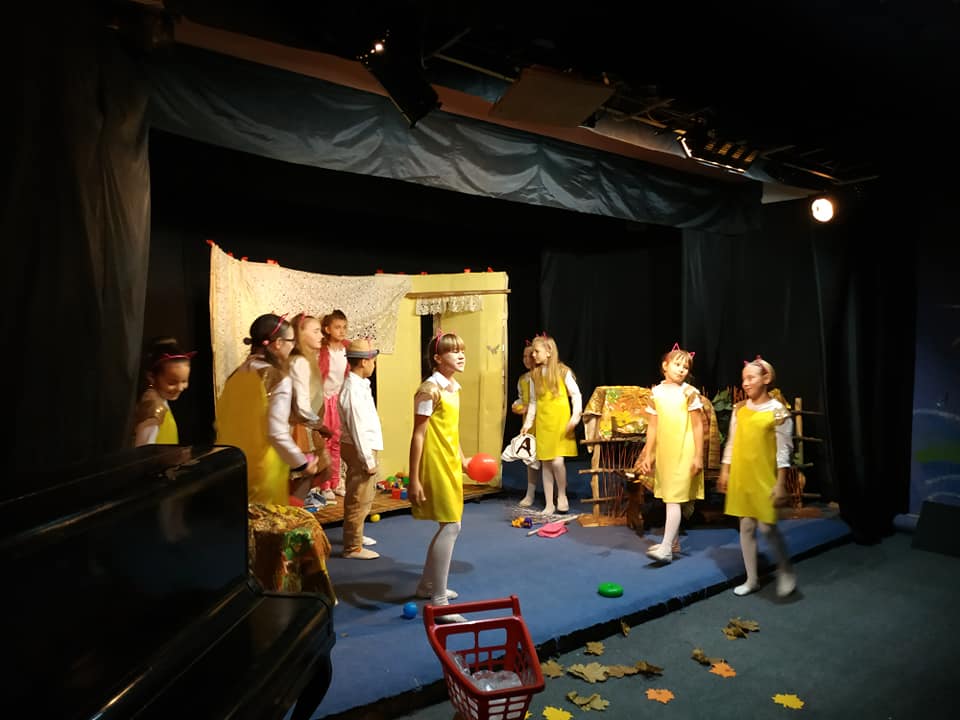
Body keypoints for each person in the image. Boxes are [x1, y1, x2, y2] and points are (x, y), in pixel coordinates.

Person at [216, 313, 322, 504]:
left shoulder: (237, 374)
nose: (293, 346)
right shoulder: (277, 378)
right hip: (263, 468)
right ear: (278, 343)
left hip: (234, 465)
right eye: (291, 341)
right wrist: (301, 463)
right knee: (266, 518)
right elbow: (276, 432)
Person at [717, 356, 796, 598]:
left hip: (764, 477)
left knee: (767, 527)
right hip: (742, 476)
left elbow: (784, 451)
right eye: (744, 379)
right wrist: (725, 470)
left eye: (751, 378)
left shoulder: (778, 412)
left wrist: (780, 483)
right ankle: (752, 579)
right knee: (746, 526)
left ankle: (785, 570)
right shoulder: (740, 409)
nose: (746, 383)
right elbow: (732, 442)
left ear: (766, 378)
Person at [409, 330, 471, 623]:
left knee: (451, 524)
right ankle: (439, 600)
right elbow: (418, 434)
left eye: (462, 350)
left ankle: (426, 586)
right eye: (453, 351)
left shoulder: (453, 388)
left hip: (450, 461)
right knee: (451, 525)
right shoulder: (429, 390)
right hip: (435, 463)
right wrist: (414, 477)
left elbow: (451, 430)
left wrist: (463, 459)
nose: (460, 355)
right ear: (437, 358)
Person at [635, 343, 705, 563]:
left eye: (686, 367)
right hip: (666, 451)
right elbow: (653, 426)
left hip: (684, 450)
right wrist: (648, 453)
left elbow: (697, 426)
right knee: (669, 497)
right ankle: (673, 543)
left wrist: (698, 456)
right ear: (665, 366)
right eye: (677, 365)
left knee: (674, 498)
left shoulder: (689, 392)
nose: (682, 370)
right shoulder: (656, 392)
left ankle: (665, 548)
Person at [520, 334, 582, 515]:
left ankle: (562, 495)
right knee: (546, 463)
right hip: (543, 423)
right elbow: (533, 401)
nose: (533, 355)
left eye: (536, 352)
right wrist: (528, 423)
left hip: (560, 423)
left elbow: (576, 395)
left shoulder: (563, 371)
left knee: (557, 461)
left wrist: (575, 417)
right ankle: (549, 503)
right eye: (532, 352)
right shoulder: (535, 375)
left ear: (548, 351)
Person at [338, 338, 384, 559]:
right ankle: (352, 546)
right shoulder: (352, 390)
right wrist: (367, 459)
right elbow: (357, 427)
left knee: (364, 493)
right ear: (364, 362)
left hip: (363, 447)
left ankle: (356, 533)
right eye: (373, 360)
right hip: (359, 449)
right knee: (359, 496)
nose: (374, 364)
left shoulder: (360, 385)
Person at [289, 312, 333, 501]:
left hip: (305, 426)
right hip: (300, 429)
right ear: (300, 334)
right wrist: (320, 425)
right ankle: (293, 514)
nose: (321, 335)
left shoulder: (305, 361)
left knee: (310, 474)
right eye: (315, 331)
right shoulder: (299, 362)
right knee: (303, 477)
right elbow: (301, 405)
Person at [132, 337, 194, 447]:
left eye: (184, 381)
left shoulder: (161, 401)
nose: (180, 388)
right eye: (172, 383)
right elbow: (144, 450)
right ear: (151, 377)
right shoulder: (153, 409)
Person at [317, 309, 350, 498]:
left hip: (338, 400)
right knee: (324, 442)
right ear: (327, 329)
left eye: (344, 327)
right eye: (337, 327)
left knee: (337, 442)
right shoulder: (323, 350)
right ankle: (324, 484)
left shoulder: (346, 348)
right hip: (323, 399)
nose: (342, 331)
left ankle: (336, 481)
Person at [513, 342, 542, 507]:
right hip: (529, 424)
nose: (526, 359)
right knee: (531, 460)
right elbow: (522, 398)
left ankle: (558, 492)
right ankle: (530, 494)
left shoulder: (543, 376)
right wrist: (517, 405)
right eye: (523, 356)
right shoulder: (523, 379)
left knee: (550, 460)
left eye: (529, 355)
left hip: (544, 422)